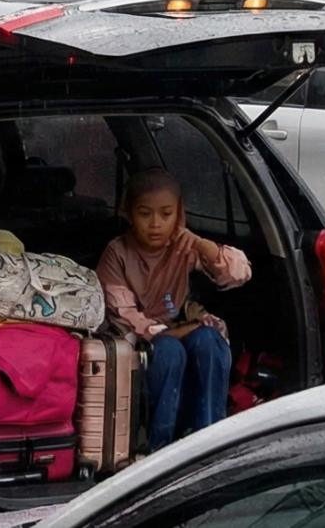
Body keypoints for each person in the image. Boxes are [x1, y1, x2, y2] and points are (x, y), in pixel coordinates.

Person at [96, 168, 251, 451]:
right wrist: (174, 333)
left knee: (209, 341)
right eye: (145, 214)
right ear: (128, 213)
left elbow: (239, 274)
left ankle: (209, 442)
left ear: (179, 214)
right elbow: (125, 316)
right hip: (138, 341)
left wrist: (204, 246)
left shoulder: (184, 246)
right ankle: (159, 448)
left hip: (176, 329)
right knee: (168, 351)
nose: (156, 224)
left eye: (166, 215)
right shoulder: (117, 253)